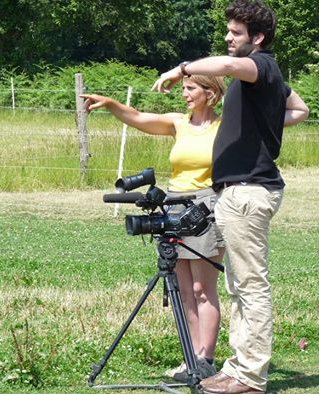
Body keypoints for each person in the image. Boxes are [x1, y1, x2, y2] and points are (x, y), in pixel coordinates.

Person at [152, 1, 309, 393]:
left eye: (236, 32)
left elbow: (223, 66)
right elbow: (299, 108)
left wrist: (182, 69)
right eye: (228, 31)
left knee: (250, 286)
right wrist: (263, 124)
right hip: (241, 192)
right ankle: (238, 369)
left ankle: (250, 377)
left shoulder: (262, 66)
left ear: (257, 38)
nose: (227, 37)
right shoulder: (260, 81)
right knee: (240, 285)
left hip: (247, 191)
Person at [81, 74, 227, 381]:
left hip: (207, 207)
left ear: (210, 92)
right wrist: (110, 104)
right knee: (183, 290)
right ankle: (191, 359)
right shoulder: (178, 123)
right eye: (184, 89)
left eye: (191, 89)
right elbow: (137, 118)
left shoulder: (224, 127)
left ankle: (206, 359)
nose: (185, 94)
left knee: (202, 290)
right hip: (174, 203)